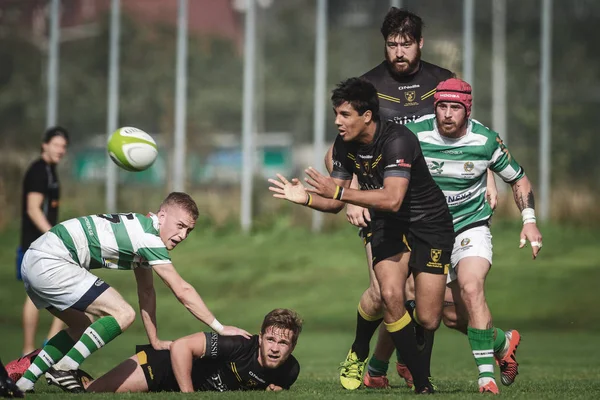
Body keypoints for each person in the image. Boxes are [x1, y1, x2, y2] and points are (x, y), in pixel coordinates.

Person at [322, 7, 497, 391]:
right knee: (388, 293)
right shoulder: (367, 85)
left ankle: (407, 370)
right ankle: (369, 357)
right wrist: (353, 199)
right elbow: (340, 149)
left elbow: (468, 137)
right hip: (383, 204)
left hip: (434, 207)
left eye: (405, 43)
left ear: (420, 43)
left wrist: (488, 178)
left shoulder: (444, 81)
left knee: (424, 302)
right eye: (391, 44)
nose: (398, 52)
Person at [269, 77, 455, 393]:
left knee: (428, 318)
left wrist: (341, 191)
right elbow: (333, 203)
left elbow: (393, 197)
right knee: (390, 294)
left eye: (344, 115)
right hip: (386, 224)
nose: (337, 122)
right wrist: (308, 199)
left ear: (366, 116)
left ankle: (399, 349)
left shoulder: (398, 141)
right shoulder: (344, 145)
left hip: (430, 224)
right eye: (335, 114)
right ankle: (421, 384)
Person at [15, 192, 250, 394]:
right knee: (123, 314)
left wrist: (154, 341)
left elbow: (147, 291)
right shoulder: (149, 238)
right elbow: (182, 289)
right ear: (162, 215)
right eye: (180, 226)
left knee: (81, 326)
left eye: (189, 230)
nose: (182, 236)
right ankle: (65, 368)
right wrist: (220, 327)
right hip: (53, 260)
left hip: (34, 259)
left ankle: (26, 380)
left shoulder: (142, 229)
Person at [400, 78, 539, 393]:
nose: (448, 114)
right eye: (442, 106)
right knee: (446, 317)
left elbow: (518, 179)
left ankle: (486, 378)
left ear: (467, 110)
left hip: (470, 226)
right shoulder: (414, 134)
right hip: (427, 231)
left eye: (455, 108)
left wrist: (528, 220)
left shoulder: (485, 140)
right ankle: (502, 342)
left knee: (471, 287)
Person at [81, 308, 302, 393]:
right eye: (270, 339)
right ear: (260, 338)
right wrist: (189, 396)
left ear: (293, 346)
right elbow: (181, 346)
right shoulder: (239, 344)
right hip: (162, 366)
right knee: (91, 393)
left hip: (176, 384)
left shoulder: (290, 370)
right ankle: (71, 374)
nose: (274, 348)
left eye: (282, 343)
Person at [18, 127, 70, 357]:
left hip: (44, 243)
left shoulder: (50, 170)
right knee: (36, 295)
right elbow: (33, 209)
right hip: (35, 244)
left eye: (64, 146)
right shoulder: (39, 171)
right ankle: (30, 349)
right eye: (57, 145)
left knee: (61, 290)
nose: (61, 150)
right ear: (44, 145)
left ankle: (47, 344)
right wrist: (53, 235)